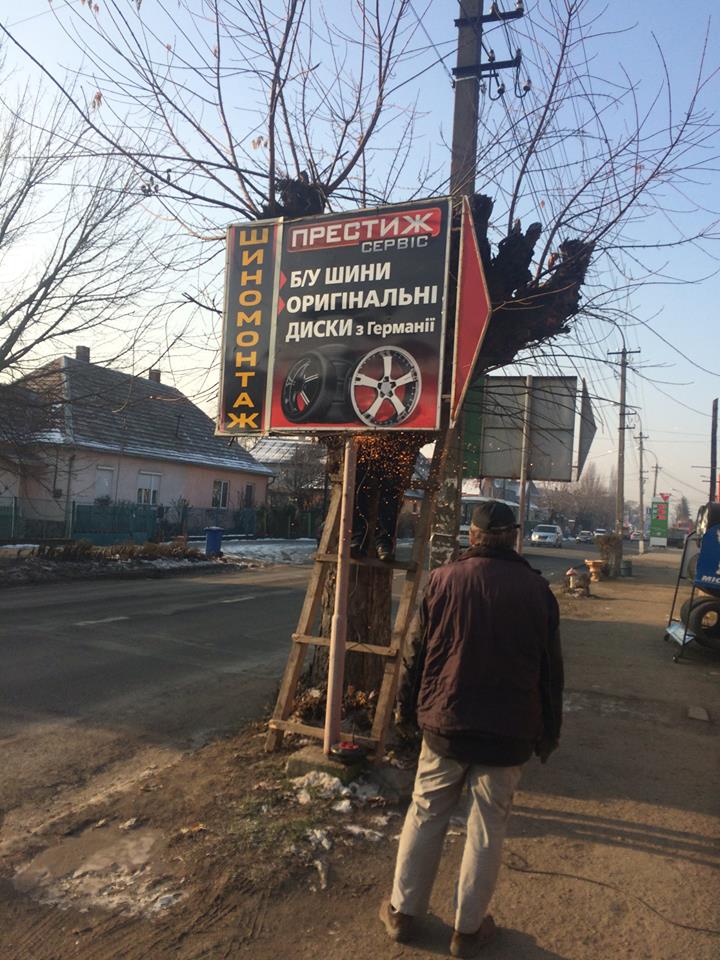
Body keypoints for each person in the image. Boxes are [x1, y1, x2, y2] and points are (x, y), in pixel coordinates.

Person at [380, 500, 563, 957]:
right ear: (513, 536)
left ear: (473, 537)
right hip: (509, 733)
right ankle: (468, 929)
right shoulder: (538, 592)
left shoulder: (443, 580)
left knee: (425, 812)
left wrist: (405, 711)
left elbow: (417, 654)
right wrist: (549, 733)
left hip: (446, 723)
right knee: (486, 826)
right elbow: (550, 672)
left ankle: (403, 914)